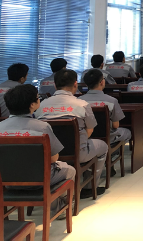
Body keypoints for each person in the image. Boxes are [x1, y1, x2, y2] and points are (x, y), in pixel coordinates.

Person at [0, 84, 76, 220]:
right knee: (69, 170)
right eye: (38, 98)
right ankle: (59, 209)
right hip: (38, 180)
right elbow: (53, 158)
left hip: (6, 181)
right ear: (32, 105)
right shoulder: (42, 127)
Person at [36, 69, 108, 197]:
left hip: (49, 155)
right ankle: (89, 187)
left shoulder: (41, 106)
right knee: (103, 146)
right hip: (78, 153)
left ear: (54, 85)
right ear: (75, 84)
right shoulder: (82, 105)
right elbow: (90, 130)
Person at [79, 69, 132, 144]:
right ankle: (111, 149)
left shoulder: (78, 101)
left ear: (86, 84)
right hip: (107, 137)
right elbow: (115, 125)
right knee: (127, 132)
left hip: (86, 136)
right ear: (102, 82)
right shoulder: (112, 101)